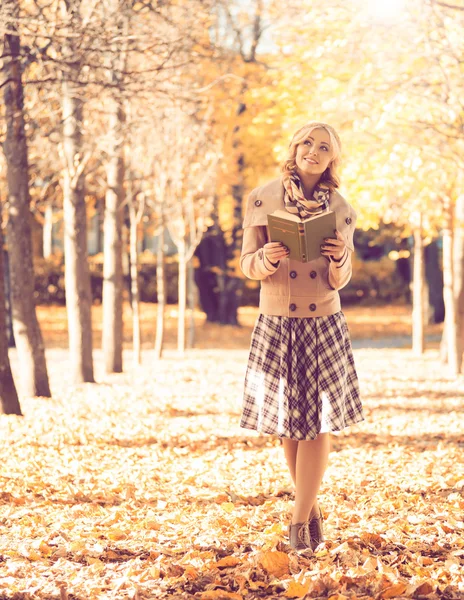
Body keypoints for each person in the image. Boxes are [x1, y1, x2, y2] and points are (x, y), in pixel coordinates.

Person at [239, 121, 364, 551]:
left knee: (318, 421)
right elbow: (246, 264)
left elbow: (341, 278)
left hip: (323, 321)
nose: (313, 150)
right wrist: (264, 258)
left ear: (332, 158)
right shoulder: (262, 197)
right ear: (294, 148)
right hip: (277, 319)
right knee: (288, 426)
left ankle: (297, 526)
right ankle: (310, 510)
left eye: (324, 146)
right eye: (307, 142)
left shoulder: (342, 209)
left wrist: (340, 258)